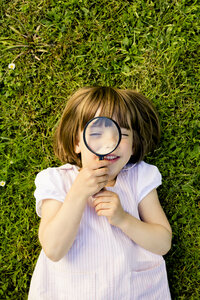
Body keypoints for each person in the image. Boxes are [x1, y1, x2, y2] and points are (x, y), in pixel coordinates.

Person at [28, 86, 172, 299]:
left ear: (133, 145)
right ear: (78, 143)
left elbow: (162, 244)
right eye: (95, 133)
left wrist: (123, 219)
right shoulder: (58, 181)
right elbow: (54, 249)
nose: (109, 144)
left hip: (135, 290)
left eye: (121, 135)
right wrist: (77, 194)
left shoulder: (140, 177)